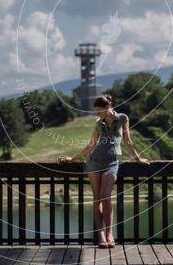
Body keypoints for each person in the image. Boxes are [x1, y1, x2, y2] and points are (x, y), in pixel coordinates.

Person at [58, 94, 150, 248]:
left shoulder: (122, 118)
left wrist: (137, 159)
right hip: (94, 162)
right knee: (97, 199)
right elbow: (90, 146)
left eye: (99, 110)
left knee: (105, 196)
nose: (97, 114)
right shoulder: (98, 123)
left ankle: (109, 233)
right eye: (95, 111)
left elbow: (128, 141)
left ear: (108, 107)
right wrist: (72, 158)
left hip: (112, 162)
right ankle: (100, 235)